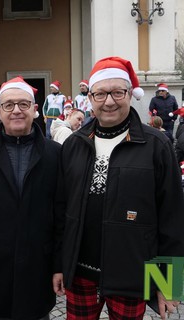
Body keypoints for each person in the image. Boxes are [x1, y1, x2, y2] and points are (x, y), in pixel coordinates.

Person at [53, 56, 184, 320]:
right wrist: (59, 266)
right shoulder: (73, 145)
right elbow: (60, 212)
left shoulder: (156, 146)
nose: (109, 101)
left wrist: (170, 285)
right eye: (100, 93)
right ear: (89, 98)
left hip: (131, 275)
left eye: (117, 92)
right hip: (80, 275)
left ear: (130, 94)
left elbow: (173, 219)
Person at [0, 76, 62, 320]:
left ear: (35, 109)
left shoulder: (56, 154)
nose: (16, 110)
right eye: (9, 105)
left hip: (37, 266)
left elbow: (62, 213)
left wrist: (58, 265)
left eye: (23, 104)